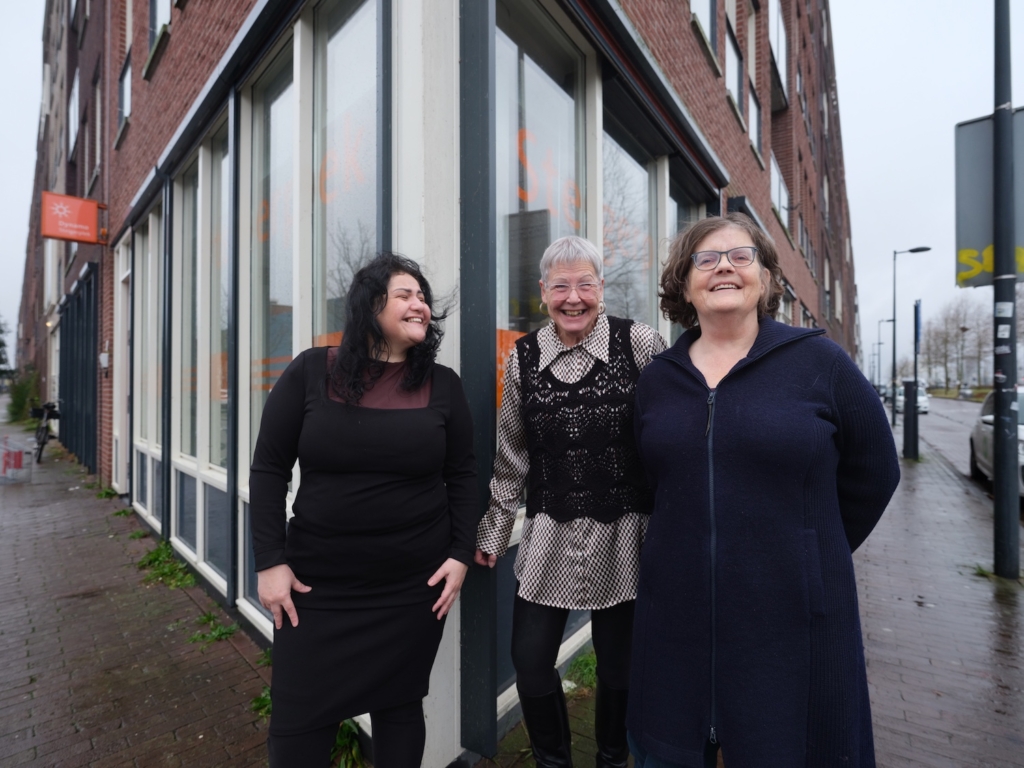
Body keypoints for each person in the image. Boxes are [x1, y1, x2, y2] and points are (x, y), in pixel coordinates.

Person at [627, 213, 900, 767]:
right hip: (676, 615)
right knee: (671, 746)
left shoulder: (821, 363)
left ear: (767, 278)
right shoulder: (657, 379)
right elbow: (648, 481)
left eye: (741, 256)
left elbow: (876, 470)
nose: (724, 267)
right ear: (684, 284)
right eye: (705, 259)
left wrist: (808, 550)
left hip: (791, 617)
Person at [250, 253, 478, 768]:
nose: (420, 304)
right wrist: (269, 561)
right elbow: (268, 470)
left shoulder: (443, 384)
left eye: (423, 297)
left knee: (400, 709)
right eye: (405, 295)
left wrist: (461, 552)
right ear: (370, 305)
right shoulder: (311, 371)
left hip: (410, 591)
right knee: (297, 730)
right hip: (315, 591)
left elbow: (464, 475)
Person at [476, 235, 666, 768]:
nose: (573, 297)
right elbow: (512, 452)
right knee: (530, 660)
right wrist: (494, 530)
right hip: (550, 536)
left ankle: (611, 759)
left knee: (619, 666)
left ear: (601, 288)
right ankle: (553, 762)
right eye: (561, 286)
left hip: (627, 535)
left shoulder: (640, 344)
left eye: (585, 284)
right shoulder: (523, 357)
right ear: (543, 292)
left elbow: (672, 432)